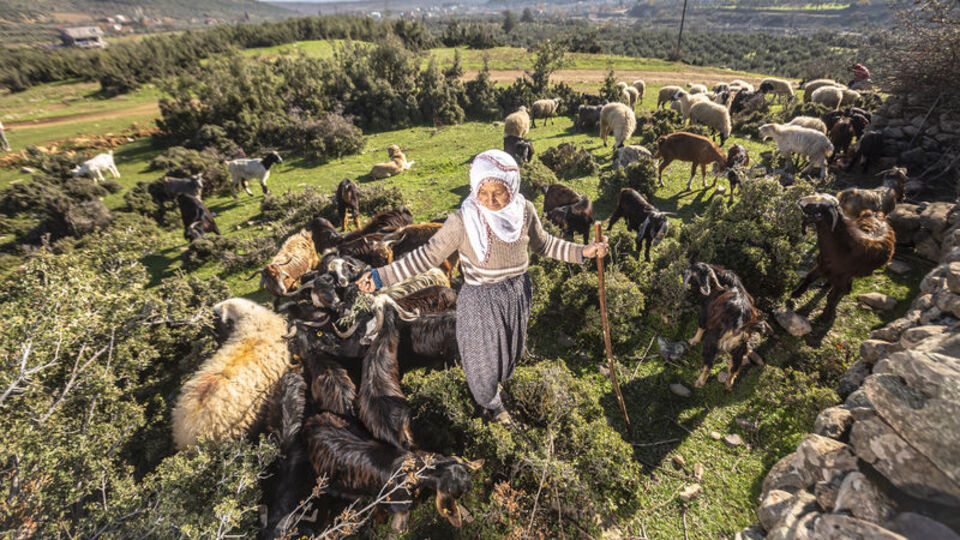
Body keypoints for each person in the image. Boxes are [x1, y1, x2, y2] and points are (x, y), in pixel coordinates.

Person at [357, 149, 607, 425]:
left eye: (498, 192)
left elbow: (545, 244)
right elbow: (426, 256)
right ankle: (491, 406)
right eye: (482, 192)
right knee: (482, 358)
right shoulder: (462, 221)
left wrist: (584, 252)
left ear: (511, 185)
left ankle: (499, 386)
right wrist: (381, 277)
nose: (489, 199)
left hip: (517, 293)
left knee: (512, 351)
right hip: (480, 300)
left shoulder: (524, 211)